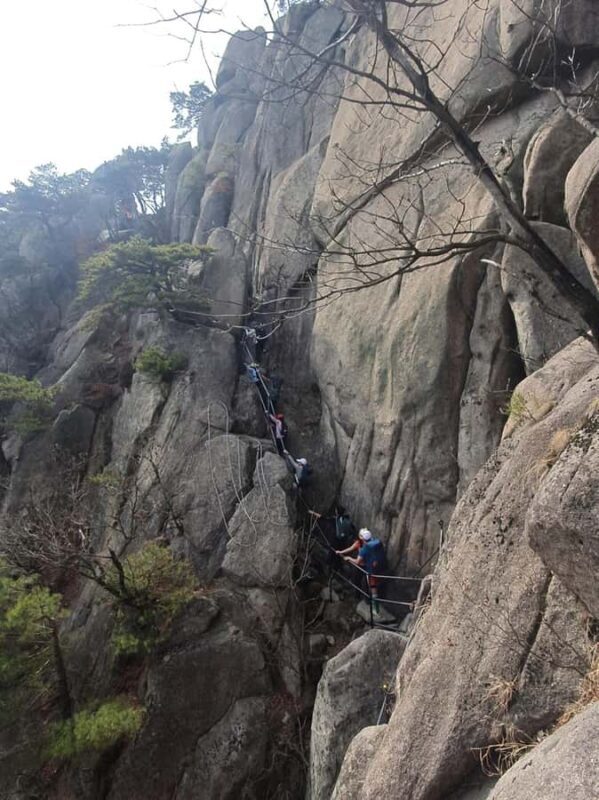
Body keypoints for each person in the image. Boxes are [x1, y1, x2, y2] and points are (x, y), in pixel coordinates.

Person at [337, 528, 386, 613]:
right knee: (364, 583)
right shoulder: (375, 542)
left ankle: (374, 607)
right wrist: (341, 552)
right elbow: (351, 548)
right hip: (375, 567)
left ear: (362, 538)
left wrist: (349, 558)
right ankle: (363, 599)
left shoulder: (364, 549)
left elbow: (357, 561)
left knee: (371, 587)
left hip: (368, 568)